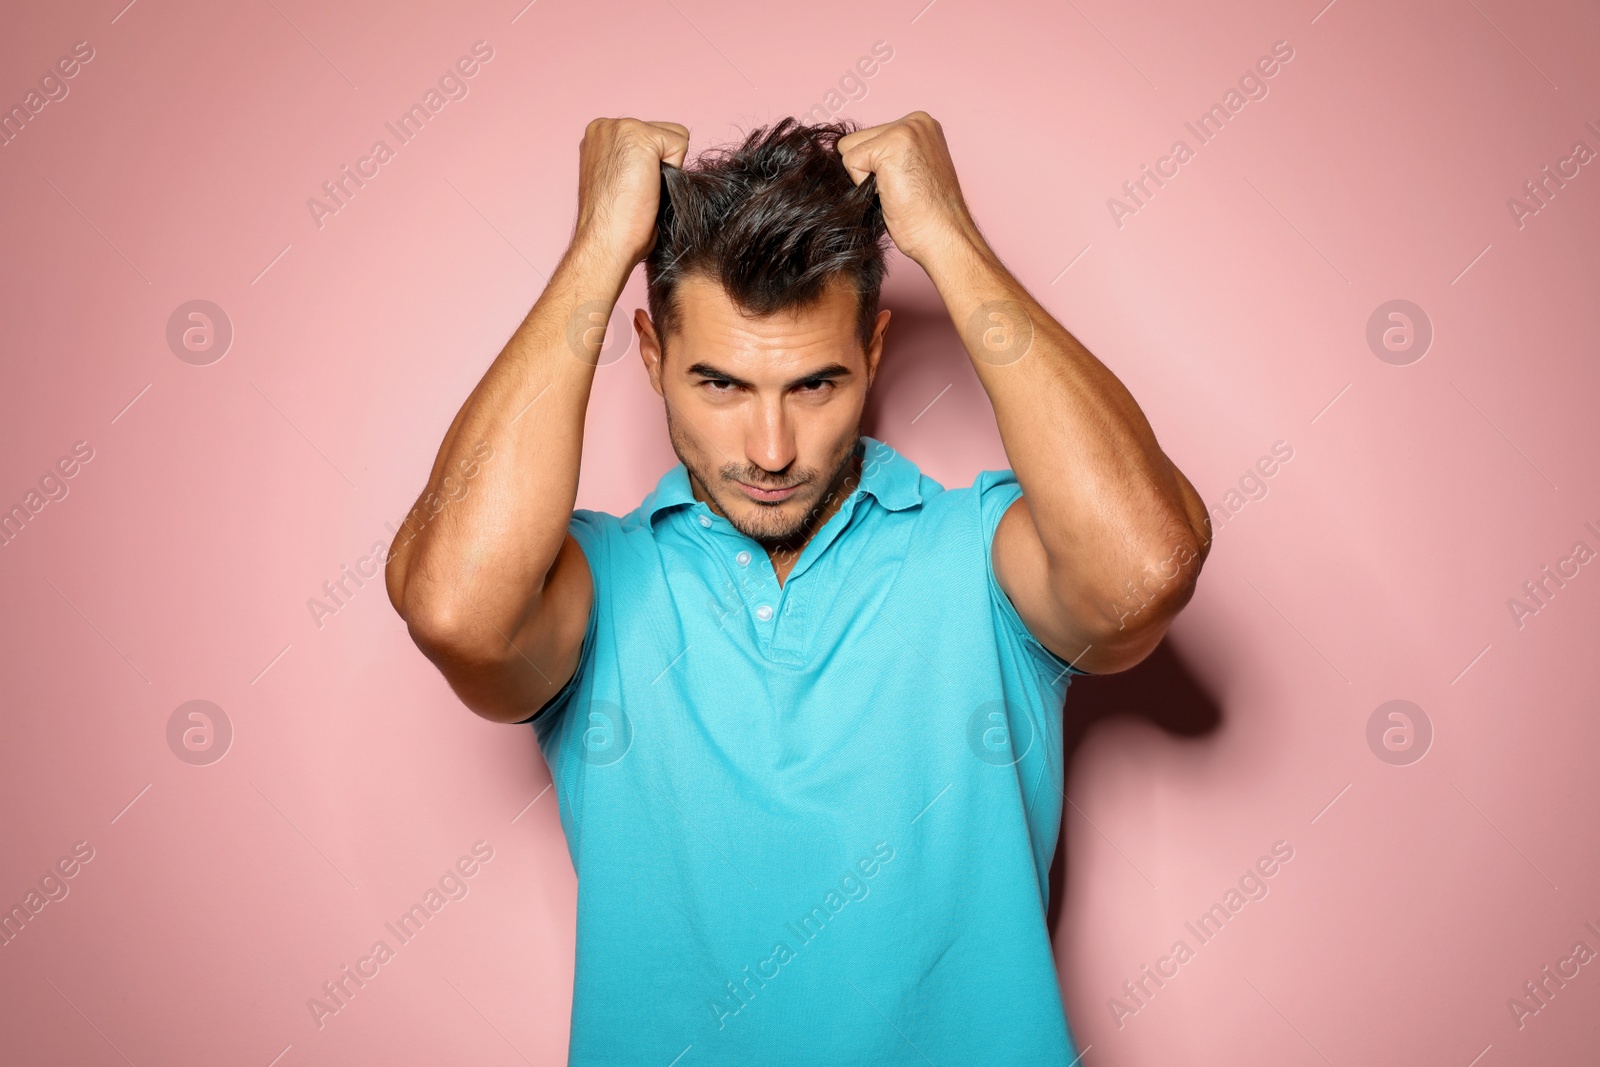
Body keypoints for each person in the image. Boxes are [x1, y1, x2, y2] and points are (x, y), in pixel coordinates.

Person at [385, 111, 1210, 1066]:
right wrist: (596, 249)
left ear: (874, 354)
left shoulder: (979, 558)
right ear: (649, 358)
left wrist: (947, 233)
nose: (771, 452)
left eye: (815, 385)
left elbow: (1146, 567)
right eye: (721, 385)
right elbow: (452, 605)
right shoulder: (592, 587)